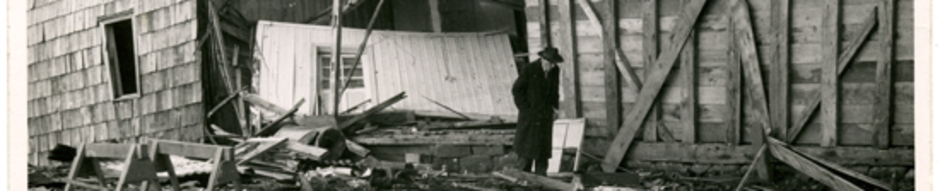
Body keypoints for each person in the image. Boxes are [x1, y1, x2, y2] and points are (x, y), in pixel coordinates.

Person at [511, 47, 563, 175]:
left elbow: (554, 91)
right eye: (549, 63)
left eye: (553, 64)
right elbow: (517, 90)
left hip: (545, 116)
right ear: (542, 59)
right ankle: (523, 182)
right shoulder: (529, 69)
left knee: (543, 152)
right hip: (529, 117)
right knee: (526, 153)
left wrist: (555, 108)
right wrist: (526, 110)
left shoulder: (555, 71)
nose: (551, 66)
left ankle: (542, 181)